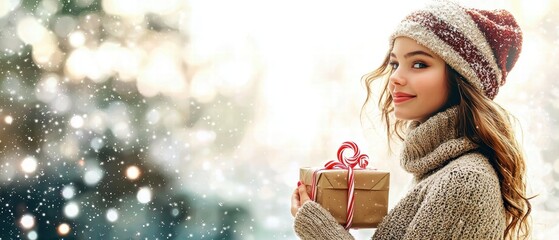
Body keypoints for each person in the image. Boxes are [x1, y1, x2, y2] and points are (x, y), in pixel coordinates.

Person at [290, 0, 533, 239]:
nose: (395, 77)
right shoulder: (436, 173)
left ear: (462, 78)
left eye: (418, 64)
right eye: (395, 63)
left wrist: (320, 232)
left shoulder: (465, 181)